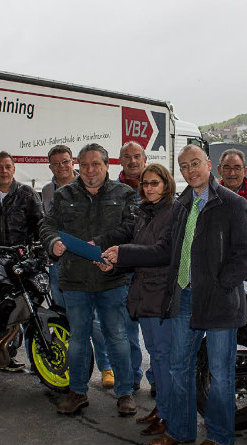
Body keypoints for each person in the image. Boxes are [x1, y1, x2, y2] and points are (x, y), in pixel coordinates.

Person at [105, 144, 247, 445]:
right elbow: (164, 250)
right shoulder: (182, 204)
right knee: (178, 368)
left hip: (220, 302)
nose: (190, 171)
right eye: (184, 166)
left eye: (195, 163)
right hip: (184, 298)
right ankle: (179, 431)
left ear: (209, 165)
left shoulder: (231, 203)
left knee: (220, 374)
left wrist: (222, 283)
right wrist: (122, 253)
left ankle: (218, 436)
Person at [40, 143, 138, 416]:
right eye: (84, 165)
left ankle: (125, 392)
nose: (90, 170)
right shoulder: (63, 195)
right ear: (78, 167)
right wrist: (53, 242)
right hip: (75, 281)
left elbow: (132, 227)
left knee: (117, 337)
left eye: (96, 164)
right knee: (79, 340)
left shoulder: (125, 193)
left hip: (112, 279)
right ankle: (78, 392)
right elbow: (47, 225)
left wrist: (102, 243)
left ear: (107, 166)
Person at [99, 163, 176, 437]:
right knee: (156, 356)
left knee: (164, 358)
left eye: (155, 183)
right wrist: (116, 263)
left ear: (166, 184)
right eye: (145, 183)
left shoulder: (172, 211)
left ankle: (170, 417)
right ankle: (162, 409)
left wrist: (123, 253)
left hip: (161, 295)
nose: (149, 188)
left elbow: (162, 252)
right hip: (144, 293)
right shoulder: (144, 212)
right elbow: (138, 254)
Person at [41, 145, 115, 390]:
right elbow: (47, 225)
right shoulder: (47, 191)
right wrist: (53, 244)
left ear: (73, 163)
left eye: (65, 162)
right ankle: (71, 373)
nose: (61, 166)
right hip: (60, 266)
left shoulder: (88, 186)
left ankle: (106, 367)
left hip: (90, 264)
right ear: (50, 166)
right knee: (69, 322)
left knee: (95, 323)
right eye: (56, 163)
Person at [0, 151, 43, 372]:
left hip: (21, 260)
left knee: (28, 308)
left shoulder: (27, 194)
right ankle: (3, 354)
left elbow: (39, 226)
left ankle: (38, 360)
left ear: (14, 169)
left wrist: (38, 255)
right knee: (0, 309)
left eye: (7, 166)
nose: (4, 171)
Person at [116, 141, 149, 392]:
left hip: (152, 271)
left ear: (145, 159)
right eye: (127, 157)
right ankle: (132, 377)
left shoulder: (157, 186)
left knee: (155, 332)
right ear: (120, 161)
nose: (133, 160)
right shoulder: (112, 191)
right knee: (127, 332)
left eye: (137, 156)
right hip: (123, 270)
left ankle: (158, 380)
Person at [217, 148, 247, 215]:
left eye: (237, 168)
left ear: (244, 171)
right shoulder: (210, 198)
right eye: (227, 168)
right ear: (219, 170)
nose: (232, 173)